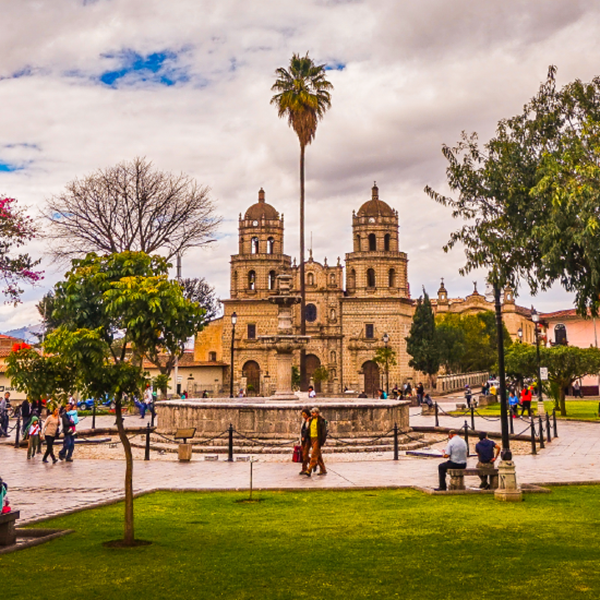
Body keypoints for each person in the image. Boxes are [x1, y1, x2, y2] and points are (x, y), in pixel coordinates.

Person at [304, 407, 327, 477]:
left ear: (317, 413)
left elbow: (323, 432)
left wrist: (321, 441)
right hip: (311, 438)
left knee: (314, 455)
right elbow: (307, 429)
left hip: (317, 439)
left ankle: (309, 470)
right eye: (311, 413)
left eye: (313, 413)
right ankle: (323, 469)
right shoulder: (310, 420)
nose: (312, 414)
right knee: (318, 455)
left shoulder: (321, 421)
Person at [299, 408, 312, 475]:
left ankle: (305, 468)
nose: (303, 416)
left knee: (304, 454)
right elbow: (302, 430)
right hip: (303, 440)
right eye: (302, 414)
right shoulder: (304, 421)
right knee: (304, 454)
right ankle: (313, 463)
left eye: (304, 414)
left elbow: (308, 430)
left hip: (308, 440)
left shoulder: (310, 420)